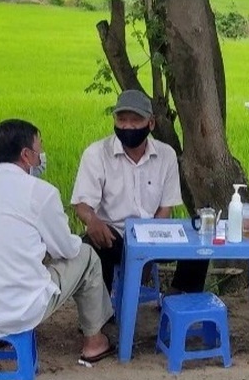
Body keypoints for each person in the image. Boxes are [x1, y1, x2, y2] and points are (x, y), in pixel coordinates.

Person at [0, 119, 115, 364]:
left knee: (5, 253)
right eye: (39, 149)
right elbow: (66, 249)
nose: (41, 155)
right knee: (86, 255)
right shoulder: (40, 192)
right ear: (26, 155)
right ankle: (94, 342)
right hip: (19, 307)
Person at [71, 90, 209, 296]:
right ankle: (100, 314)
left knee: (201, 243)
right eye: (122, 119)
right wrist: (92, 220)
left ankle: (177, 298)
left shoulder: (166, 155)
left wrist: (148, 248)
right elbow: (82, 205)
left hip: (154, 233)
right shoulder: (97, 153)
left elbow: (165, 208)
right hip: (114, 235)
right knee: (92, 245)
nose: (127, 126)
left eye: (135, 120)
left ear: (151, 123)